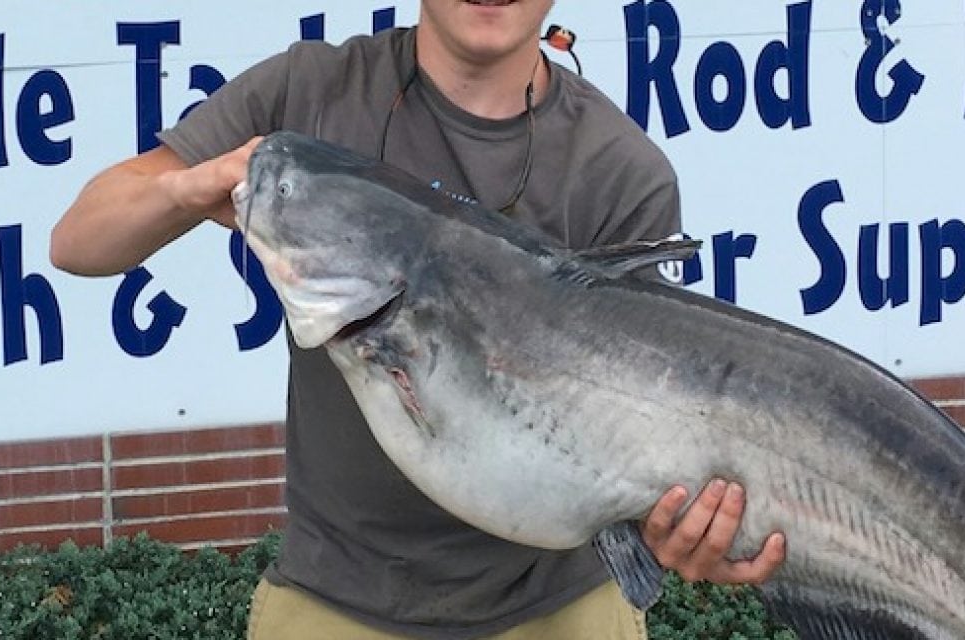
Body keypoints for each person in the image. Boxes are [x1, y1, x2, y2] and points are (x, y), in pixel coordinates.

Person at [51, 1, 786, 638]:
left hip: (565, 609)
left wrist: (682, 527)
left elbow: (648, 427)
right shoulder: (309, 93)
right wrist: (190, 188)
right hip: (334, 603)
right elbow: (78, 241)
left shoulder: (619, 168)